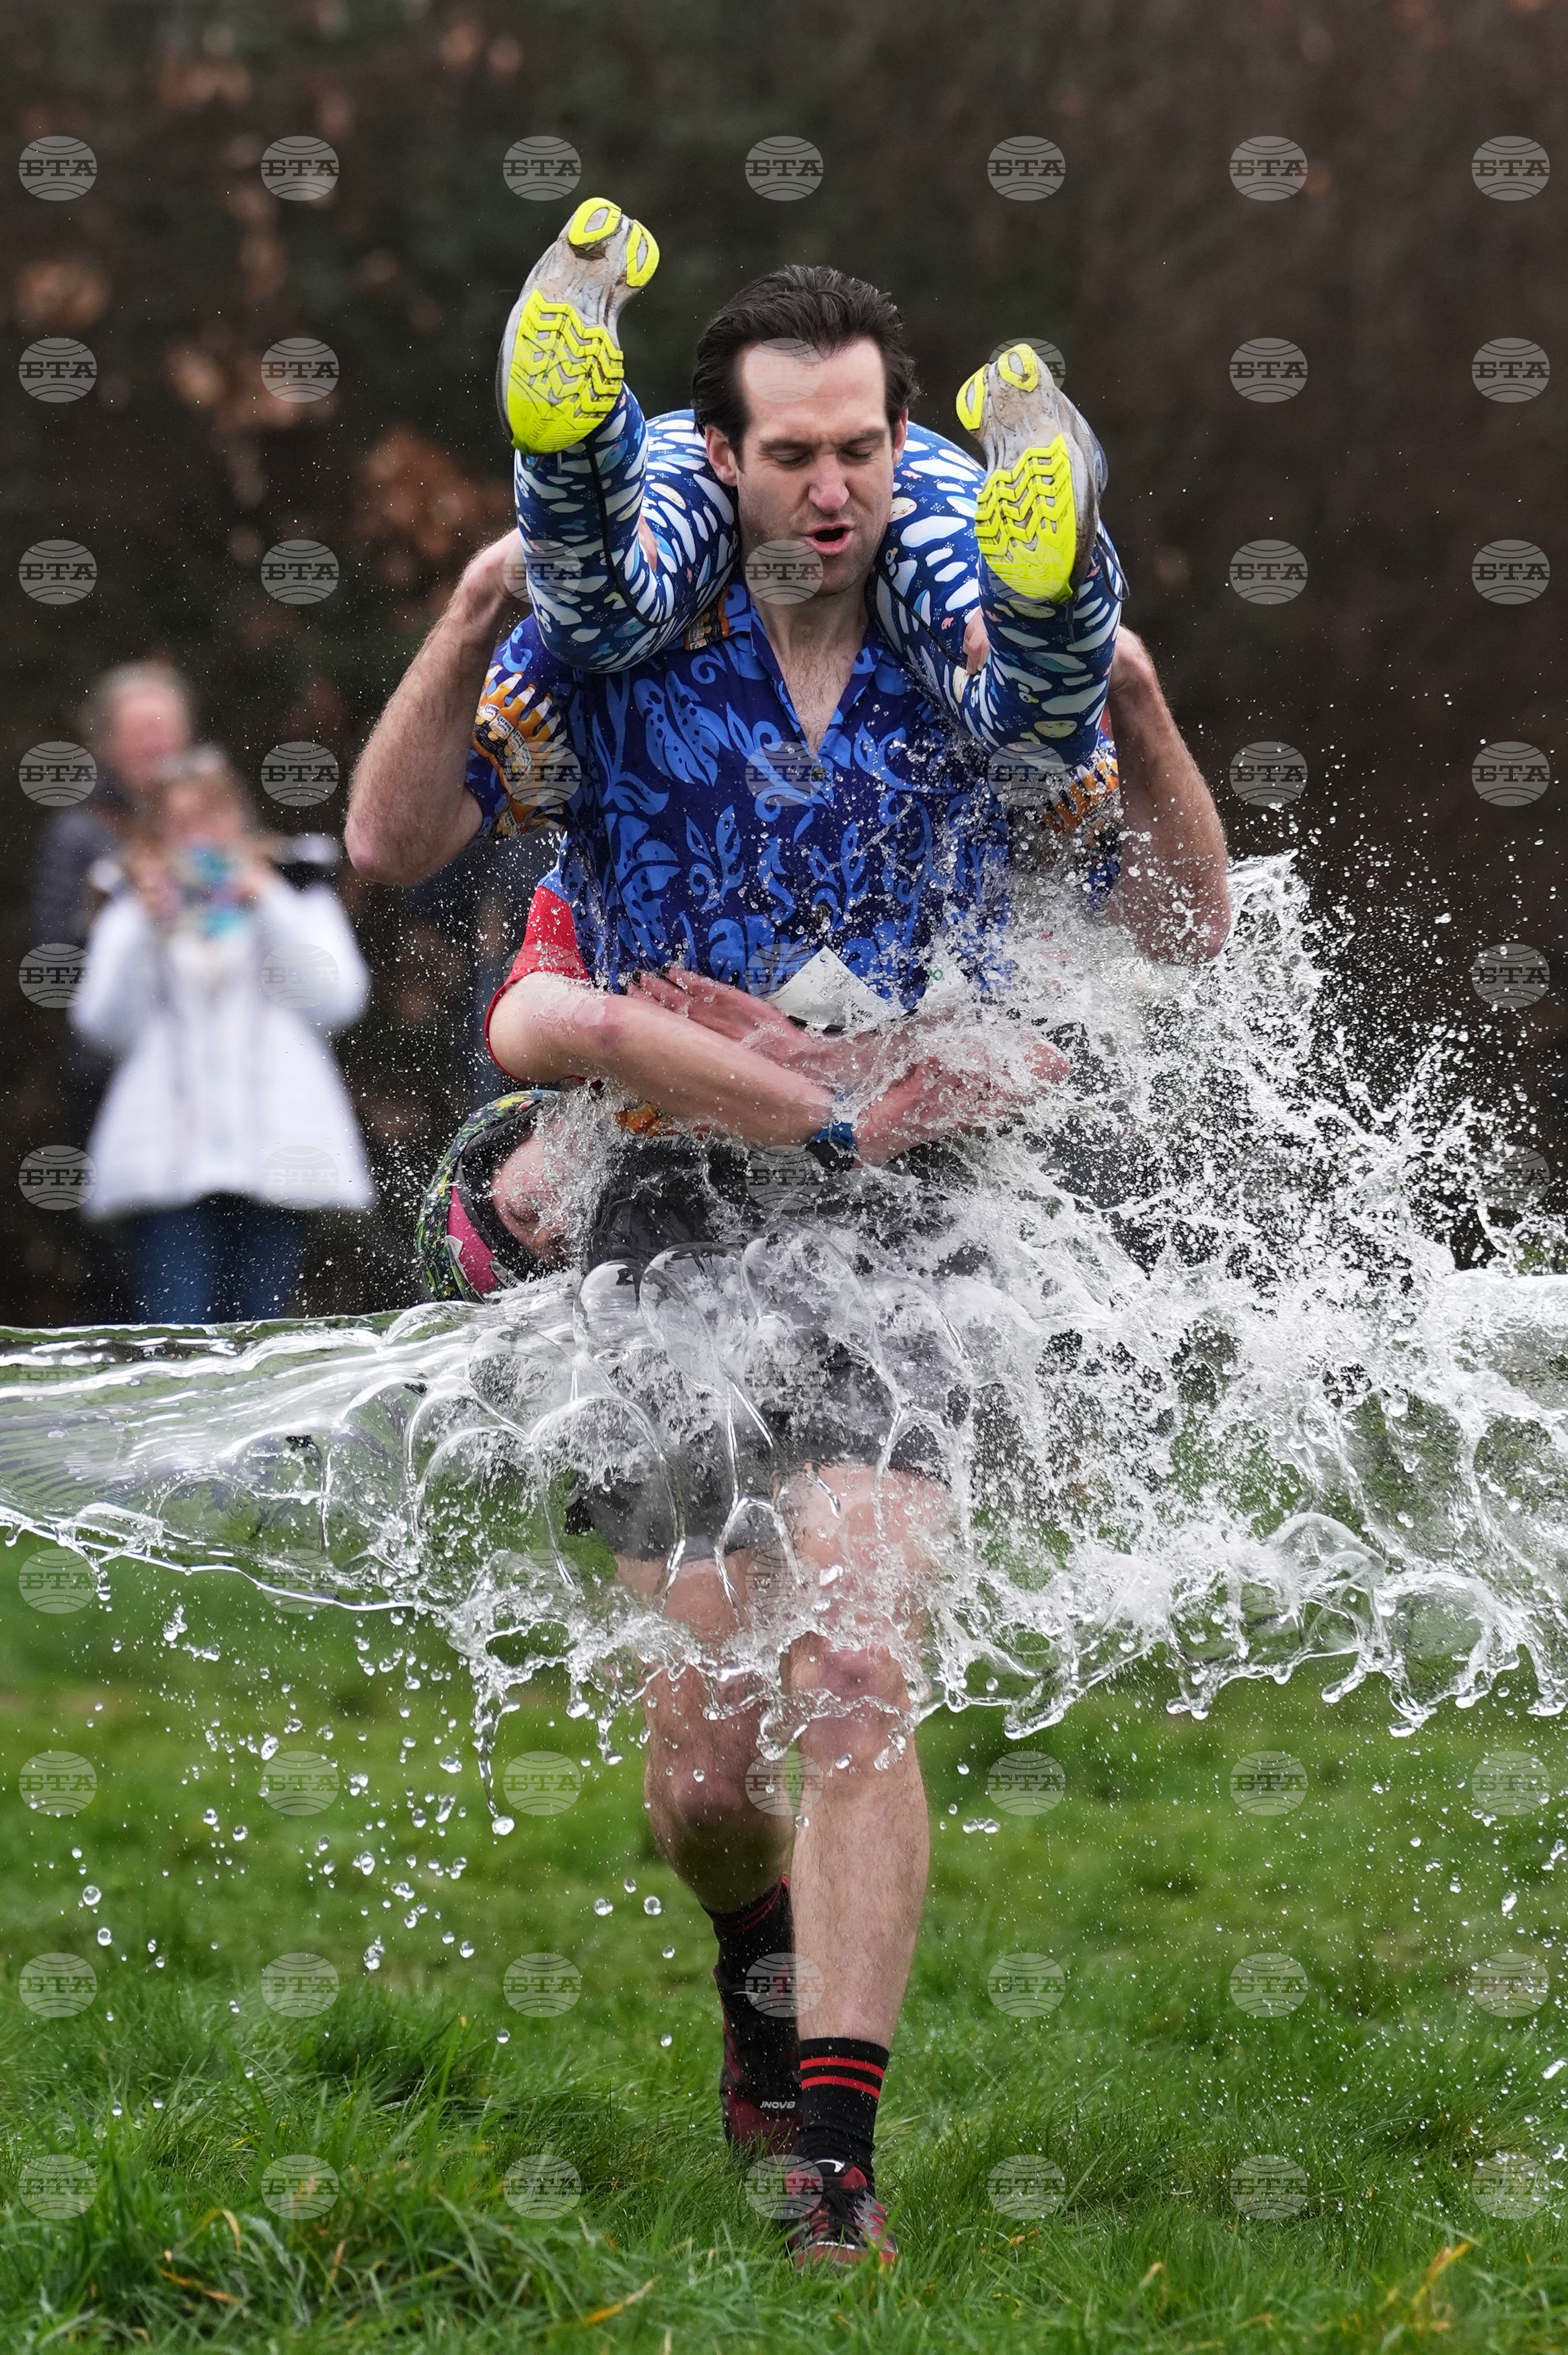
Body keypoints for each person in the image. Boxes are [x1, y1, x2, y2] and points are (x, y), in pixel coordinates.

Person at [350, 248, 1229, 2269]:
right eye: (792, 454)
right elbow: (392, 845)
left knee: (852, 1656)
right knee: (700, 1772)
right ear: (719, 454)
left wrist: (1150, 701)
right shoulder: (626, 628)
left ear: (899, 445)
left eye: (865, 447)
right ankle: (760, 1961)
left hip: (929, 1196)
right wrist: (480, 599)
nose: (831, 490)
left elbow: (1187, 933)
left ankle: (836, 2158)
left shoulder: (968, 629)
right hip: (673, 1191)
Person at [72, 748, 374, 1323]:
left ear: (238, 819)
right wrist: (143, 924)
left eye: (209, 817)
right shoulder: (131, 905)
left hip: (276, 1156)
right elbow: (102, 1025)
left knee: (262, 1337)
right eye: (179, 823)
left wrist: (267, 901)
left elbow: (336, 1001)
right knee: (179, 1339)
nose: (197, 835)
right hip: (167, 1165)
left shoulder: (295, 890)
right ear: (157, 832)